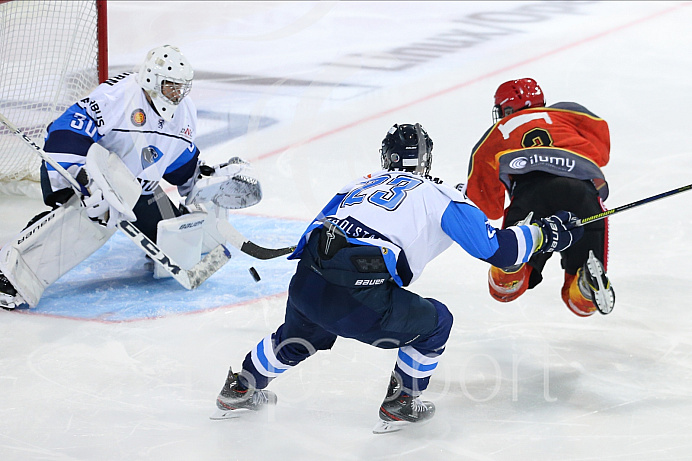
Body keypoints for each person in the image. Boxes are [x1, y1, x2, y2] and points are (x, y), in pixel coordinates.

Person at [211, 123, 583, 433]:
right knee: (437, 322)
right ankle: (402, 400)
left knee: (299, 337)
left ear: (386, 158)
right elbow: (500, 252)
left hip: (308, 278)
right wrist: (546, 234)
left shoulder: (359, 184)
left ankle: (240, 387)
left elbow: (316, 229)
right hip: (359, 294)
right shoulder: (439, 195)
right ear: (427, 160)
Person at [0, 44, 261, 310]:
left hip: (135, 189)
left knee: (178, 242)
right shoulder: (119, 95)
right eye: (171, 86)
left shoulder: (184, 111)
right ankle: (11, 273)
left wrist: (201, 177)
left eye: (182, 88)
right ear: (152, 80)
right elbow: (65, 133)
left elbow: (176, 161)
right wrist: (85, 182)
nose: (178, 94)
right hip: (75, 170)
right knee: (91, 219)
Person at [464, 78, 615, 317]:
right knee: (582, 306)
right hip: (583, 193)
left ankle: (512, 267)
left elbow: (486, 205)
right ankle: (584, 284)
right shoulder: (566, 113)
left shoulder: (497, 131)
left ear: (507, 109)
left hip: (531, 195)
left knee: (504, 291)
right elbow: (602, 150)